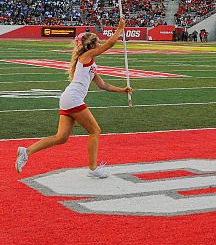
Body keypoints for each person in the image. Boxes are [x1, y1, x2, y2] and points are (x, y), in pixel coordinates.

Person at [15, 20, 131, 177]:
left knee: (61, 137)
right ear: (91, 45)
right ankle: (93, 169)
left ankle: (26, 151)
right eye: (98, 41)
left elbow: (102, 85)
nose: (100, 43)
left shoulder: (90, 63)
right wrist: (119, 29)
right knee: (95, 130)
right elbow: (109, 45)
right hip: (73, 98)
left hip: (68, 98)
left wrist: (122, 90)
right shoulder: (86, 55)